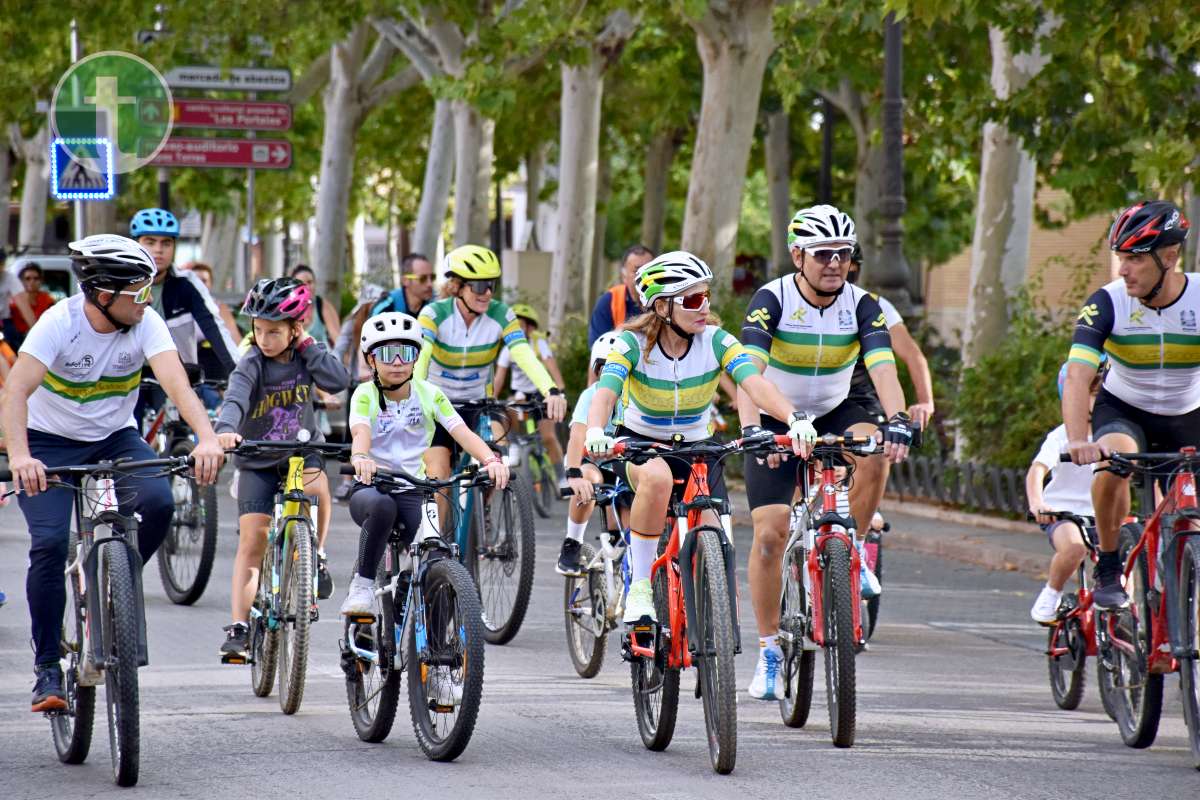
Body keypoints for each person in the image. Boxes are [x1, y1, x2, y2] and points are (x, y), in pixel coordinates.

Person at [2, 234, 223, 711]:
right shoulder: (57, 324)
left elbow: (177, 384)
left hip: (114, 438)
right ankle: (46, 669)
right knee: (49, 544)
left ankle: (115, 582)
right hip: (47, 444)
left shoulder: (146, 323)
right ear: (104, 295)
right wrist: (21, 456)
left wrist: (206, 437)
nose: (147, 300)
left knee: (159, 500)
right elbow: (15, 392)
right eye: (137, 292)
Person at [585, 251, 818, 628]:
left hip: (698, 448)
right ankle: (642, 585)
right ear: (662, 307)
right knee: (658, 479)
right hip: (642, 443)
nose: (704, 307)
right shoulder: (630, 344)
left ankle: (711, 628)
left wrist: (793, 418)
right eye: (693, 300)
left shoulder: (715, 341)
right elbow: (605, 393)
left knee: (712, 530)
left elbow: (754, 384)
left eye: (706, 296)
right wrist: (596, 431)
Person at [737, 203, 912, 701]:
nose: (835, 262)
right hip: (775, 410)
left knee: (876, 450)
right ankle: (769, 649)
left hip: (837, 406)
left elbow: (882, 369)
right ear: (798, 255)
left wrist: (897, 420)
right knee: (770, 535)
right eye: (822, 254)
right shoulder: (771, 299)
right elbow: (747, 373)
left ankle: (850, 547)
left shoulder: (862, 304)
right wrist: (753, 429)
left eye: (843, 253)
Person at [1065, 199, 1199, 615]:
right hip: (1126, 409)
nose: (1123, 270)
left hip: (1189, 414)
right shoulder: (1106, 303)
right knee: (1112, 462)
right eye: (1121, 258)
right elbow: (1077, 376)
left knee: (1191, 516)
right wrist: (1077, 439)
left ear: (1170, 257)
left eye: (1135, 259)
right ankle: (1109, 565)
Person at [213, 277, 351, 658]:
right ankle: (240, 626)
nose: (264, 338)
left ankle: (315, 554)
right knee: (253, 539)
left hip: (297, 452)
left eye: (274, 331)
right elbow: (236, 401)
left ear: (295, 328)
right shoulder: (252, 363)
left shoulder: (309, 354)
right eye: (257, 329)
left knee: (316, 487)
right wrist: (225, 430)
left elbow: (338, 381)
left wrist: (308, 346)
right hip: (257, 458)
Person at [341, 311, 509, 617]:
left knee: (436, 551)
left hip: (413, 489)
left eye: (405, 353)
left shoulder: (430, 394)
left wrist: (490, 460)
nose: (396, 362)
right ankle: (362, 584)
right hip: (371, 487)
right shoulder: (364, 395)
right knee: (382, 507)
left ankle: (435, 637)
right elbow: (360, 431)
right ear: (371, 360)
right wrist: (361, 458)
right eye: (387, 353)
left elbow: (462, 433)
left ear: (416, 357)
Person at [416, 245, 567, 518]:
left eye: (491, 285)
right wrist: (414, 393)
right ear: (456, 286)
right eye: (479, 285)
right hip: (439, 404)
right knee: (439, 476)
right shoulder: (434, 314)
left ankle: (481, 507)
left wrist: (552, 390)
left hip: (478, 404)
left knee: (500, 452)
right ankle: (435, 546)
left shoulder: (501, 315)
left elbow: (523, 354)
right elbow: (422, 357)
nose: (487, 293)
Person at [130, 208, 240, 423]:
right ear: (136, 243)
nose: (158, 250)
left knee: (183, 431)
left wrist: (239, 373)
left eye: (166, 243)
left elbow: (214, 327)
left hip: (176, 372)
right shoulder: (123, 283)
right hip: (128, 373)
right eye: (150, 242)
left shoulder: (187, 283)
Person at [1028, 361, 1105, 624]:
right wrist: (1038, 503)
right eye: (1093, 394)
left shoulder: (1116, 435)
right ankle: (1052, 593)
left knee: (1125, 561)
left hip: (1104, 515)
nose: (1098, 401)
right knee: (1074, 547)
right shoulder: (1062, 436)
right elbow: (1037, 470)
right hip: (1064, 514)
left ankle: (1120, 620)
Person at [556, 331, 626, 576]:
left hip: (623, 466)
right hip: (588, 461)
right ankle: (572, 543)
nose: (612, 376)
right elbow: (577, 435)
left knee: (626, 525)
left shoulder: (637, 397)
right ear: (596, 371)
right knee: (589, 483)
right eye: (604, 369)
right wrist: (574, 474)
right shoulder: (592, 394)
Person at [844, 247, 935, 430]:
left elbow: (913, 355)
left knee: (878, 448)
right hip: (803, 399)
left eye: (850, 267)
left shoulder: (873, 305)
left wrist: (925, 402)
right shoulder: (790, 302)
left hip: (858, 399)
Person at [493, 303, 566, 481]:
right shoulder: (507, 349)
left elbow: (552, 366)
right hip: (519, 393)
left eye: (521, 324)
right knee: (508, 406)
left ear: (530, 327)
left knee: (548, 436)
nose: (516, 328)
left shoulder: (538, 344)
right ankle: (515, 442)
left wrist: (560, 391)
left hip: (540, 393)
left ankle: (562, 477)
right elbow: (499, 378)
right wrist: (491, 399)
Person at [587, 244, 654, 347]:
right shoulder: (609, 301)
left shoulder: (665, 302)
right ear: (624, 276)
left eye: (649, 271)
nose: (644, 276)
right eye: (637, 271)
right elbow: (598, 347)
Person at [290, 264, 342, 346]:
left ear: (315, 283)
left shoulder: (322, 305)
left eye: (309, 282)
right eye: (301, 283)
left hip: (323, 357)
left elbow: (338, 340)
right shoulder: (288, 309)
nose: (307, 287)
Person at [371, 252, 435, 317]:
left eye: (432, 277)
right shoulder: (386, 305)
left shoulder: (436, 304)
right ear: (405, 280)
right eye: (422, 279)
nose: (430, 284)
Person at [8, 263, 55, 349]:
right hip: (15, 343)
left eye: (36, 278)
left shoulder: (47, 299)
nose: (32, 281)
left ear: (41, 281)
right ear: (21, 281)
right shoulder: (11, 302)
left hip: (41, 342)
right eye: (27, 278)